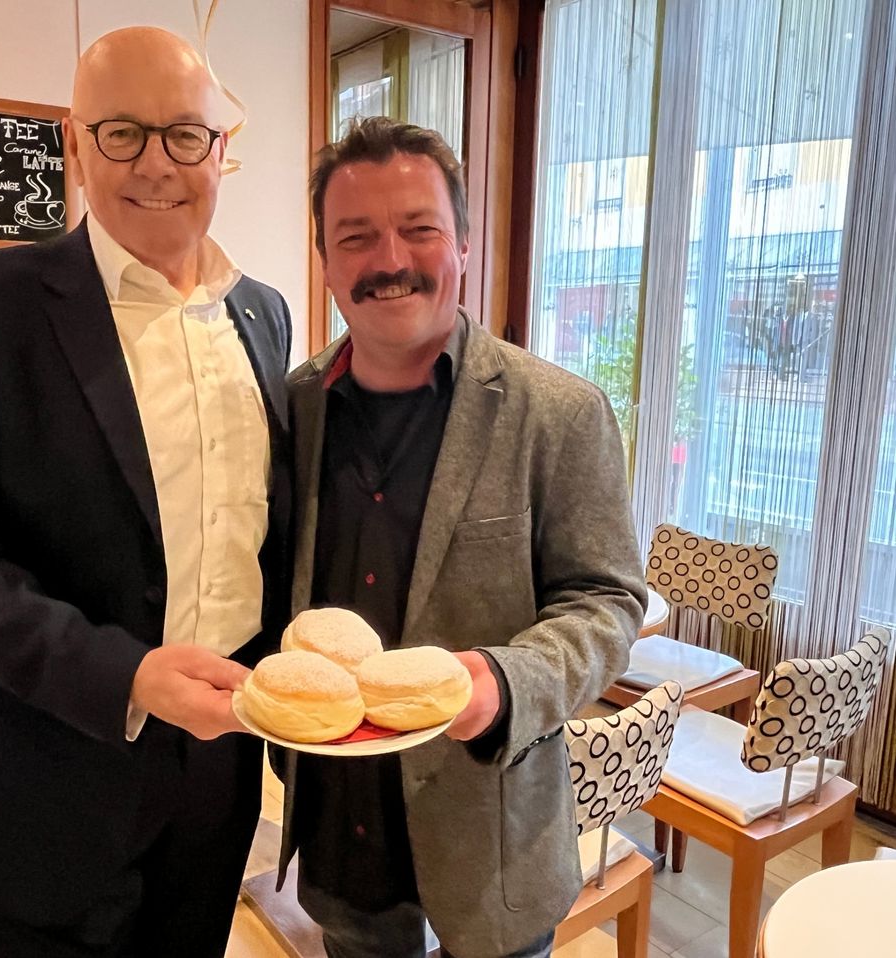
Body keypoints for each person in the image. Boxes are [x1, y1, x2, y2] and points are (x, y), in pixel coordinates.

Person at [0, 27, 292, 958]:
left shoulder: (262, 314)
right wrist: (127, 677)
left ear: (223, 148)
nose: (155, 164)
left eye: (185, 134)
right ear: (72, 142)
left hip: (220, 776)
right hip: (45, 782)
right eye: (121, 133)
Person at [276, 116, 646, 958]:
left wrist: (506, 682)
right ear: (328, 264)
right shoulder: (294, 407)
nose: (389, 260)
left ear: (466, 245)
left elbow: (608, 600)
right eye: (357, 237)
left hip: (493, 836)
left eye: (419, 229)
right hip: (342, 833)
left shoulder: (559, 413)